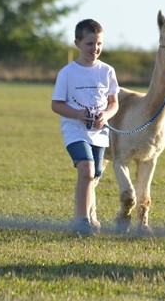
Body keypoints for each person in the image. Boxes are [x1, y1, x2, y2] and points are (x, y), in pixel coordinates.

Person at [51, 19, 120, 236]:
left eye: (99, 44)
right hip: (74, 130)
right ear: (77, 43)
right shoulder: (67, 73)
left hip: (99, 133)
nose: (95, 49)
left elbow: (113, 103)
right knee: (86, 169)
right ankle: (81, 221)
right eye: (90, 44)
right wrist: (79, 114)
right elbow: (56, 105)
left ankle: (89, 215)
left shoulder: (107, 71)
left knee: (94, 175)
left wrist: (106, 116)